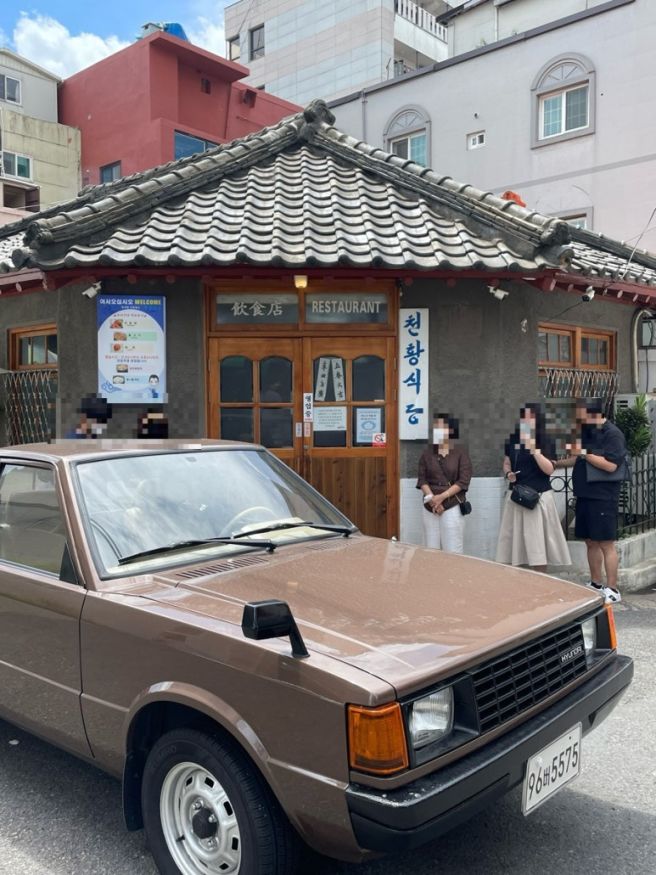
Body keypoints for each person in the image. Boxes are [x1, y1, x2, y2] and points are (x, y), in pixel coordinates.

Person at [564, 397, 627, 604]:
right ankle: (596, 583)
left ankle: (613, 589)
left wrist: (584, 452)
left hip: (603, 496)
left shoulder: (612, 434)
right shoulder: (587, 433)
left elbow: (611, 466)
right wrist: (557, 462)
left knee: (606, 543)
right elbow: (577, 457)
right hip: (585, 494)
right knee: (590, 541)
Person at [495, 403, 571, 572]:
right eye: (524, 418)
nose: (526, 422)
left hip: (538, 498)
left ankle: (540, 578)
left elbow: (549, 469)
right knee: (514, 542)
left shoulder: (546, 440)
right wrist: (508, 473)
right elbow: (506, 462)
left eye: (531, 418)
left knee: (538, 543)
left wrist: (534, 450)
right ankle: (520, 579)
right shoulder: (513, 439)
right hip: (516, 496)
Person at [417, 413, 472, 554]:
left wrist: (441, 498)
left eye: (442, 427)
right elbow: (422, 479)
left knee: (453, 549)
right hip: (430, 505)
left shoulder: (460, 453)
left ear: (451, 430)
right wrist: (432, 499)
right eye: (436, 427)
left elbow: (463, 481)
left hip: (452, 504)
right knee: (430, 548)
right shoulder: (427, 453)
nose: (438, 431)